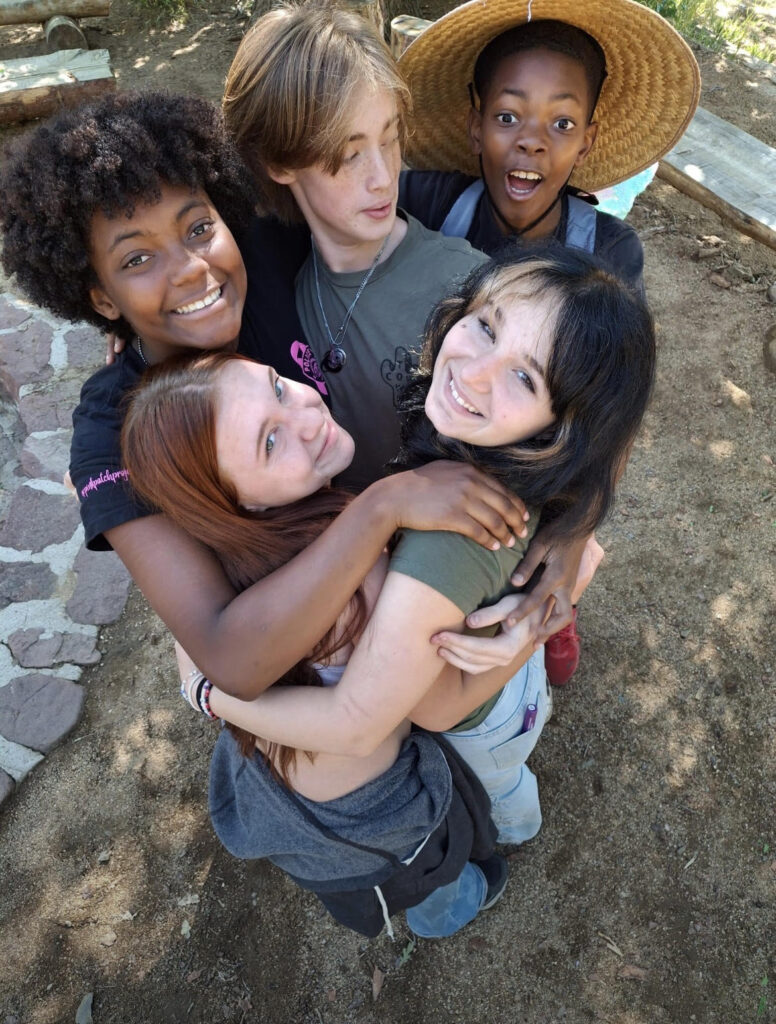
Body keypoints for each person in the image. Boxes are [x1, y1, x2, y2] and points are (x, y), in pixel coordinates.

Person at [150, 249, 655, 899]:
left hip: (487, 721)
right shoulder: (471, 446)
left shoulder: (449, 541)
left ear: (564, 428)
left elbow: (432, 708)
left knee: (496, 784)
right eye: (486, 327)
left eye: (524, 378)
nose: (474, 372)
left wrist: (208, 694)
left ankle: (515, 825)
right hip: (490, 680)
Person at [0, 89, 531, 702]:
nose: (190, 268)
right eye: (137, 258)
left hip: (416, 577)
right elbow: (230, 655)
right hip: (312, 654)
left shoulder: (264, 251)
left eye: (200, 228)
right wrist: (385, 506)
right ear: (100, 298)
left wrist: (570, 543)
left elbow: (409, 196)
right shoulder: (111, 429)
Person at [396, 1, 699, 684]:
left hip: (542, 478)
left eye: (561, 124)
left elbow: (614, 411)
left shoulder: (609, 251)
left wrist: (576, 534)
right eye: (508, 116)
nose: (532, 142)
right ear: (474, 122)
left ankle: (555, 609)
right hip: (436, 442)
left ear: (587, 142)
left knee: (538, 570)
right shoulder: (427, 202)